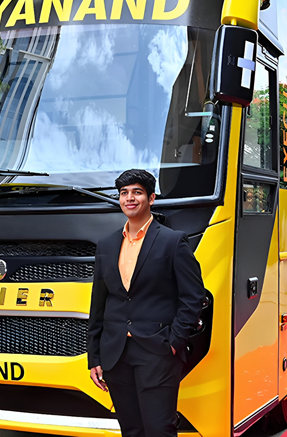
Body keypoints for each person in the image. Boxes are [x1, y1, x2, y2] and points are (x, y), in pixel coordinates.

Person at [88, 169, 205, 437]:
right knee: (131, 430)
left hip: (158, 351)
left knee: (159, 429)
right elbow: (99, 302)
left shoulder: (173, 241)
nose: (129, 198)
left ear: (151, 198)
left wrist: (175, 341)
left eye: (137, 192)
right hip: (115, 352)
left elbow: (193, 296)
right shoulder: (106, 245)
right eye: (124, 193)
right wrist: (94, 356)